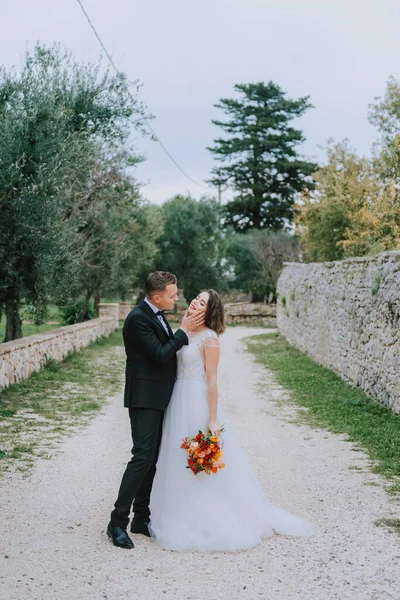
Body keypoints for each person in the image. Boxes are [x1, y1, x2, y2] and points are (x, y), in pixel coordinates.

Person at [148, 289, 314, 551]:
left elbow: (212, 381)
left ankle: (203, 514)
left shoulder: (209, 338)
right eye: (196, 298)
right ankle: (175, 507)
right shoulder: (184, 331)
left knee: (197, 459)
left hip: (196, 402)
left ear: (209, 311)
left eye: (201, 302)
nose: (194, 302)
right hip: (176, 400)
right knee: (175, 456)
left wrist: (212, 419)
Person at [107, 271, 204, 549]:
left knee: (151, 459)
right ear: (157, 296)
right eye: (173, 295)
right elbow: (161, 354)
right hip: (144, 398)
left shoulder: (156, 315)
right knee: (141, 457)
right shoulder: (138, 319)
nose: (177, 298)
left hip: (159, 397)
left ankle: (141, 517)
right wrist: (183, 332)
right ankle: (116, 522)